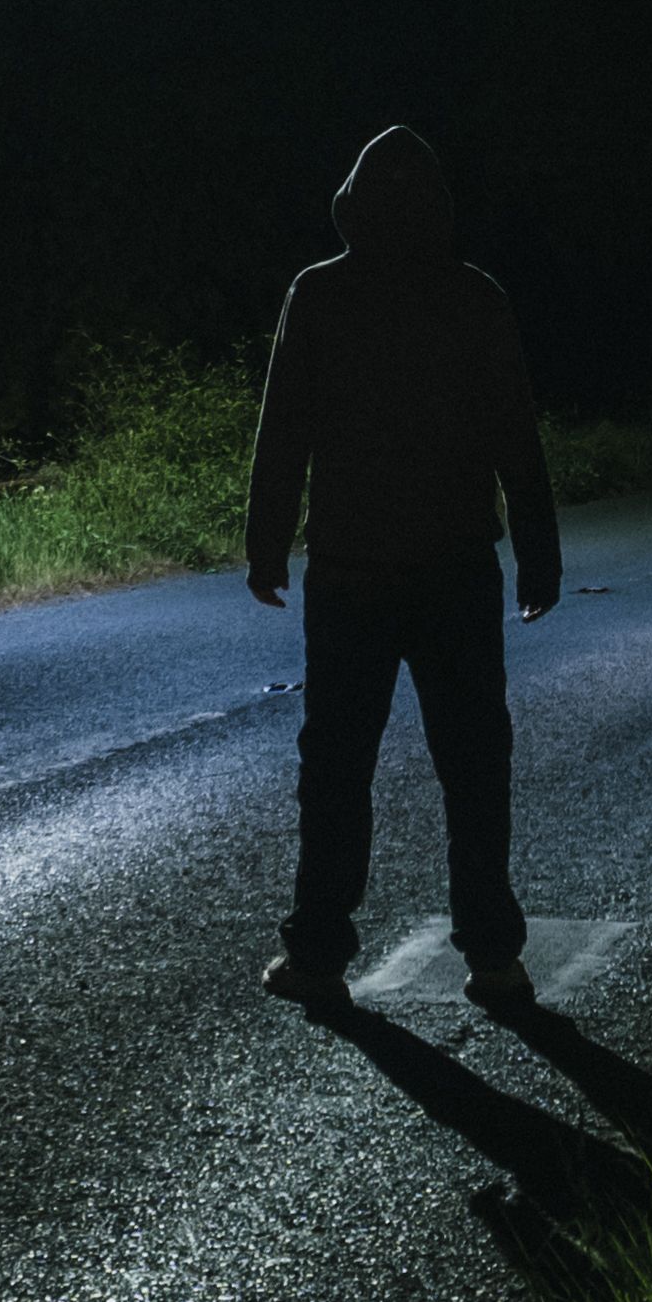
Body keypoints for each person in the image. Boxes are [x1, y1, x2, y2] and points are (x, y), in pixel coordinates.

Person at [244, 124, 561, 1013]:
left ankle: (317, 952)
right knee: (473, 764)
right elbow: (516, 437)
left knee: (336, 767)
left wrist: (267, 545)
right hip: (456, 567)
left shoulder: (319, 294)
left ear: (350, 207)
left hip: (349, 571)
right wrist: (538, 554)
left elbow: (284, 433)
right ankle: (494, 956)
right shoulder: (473, 297)